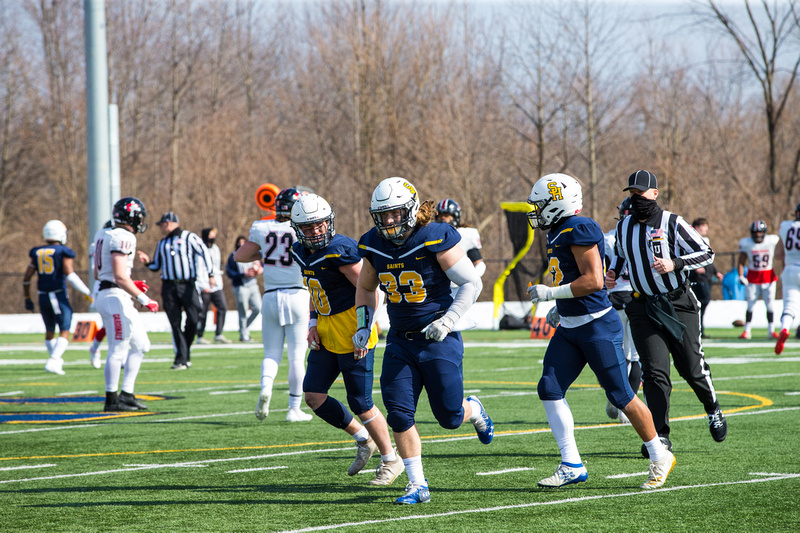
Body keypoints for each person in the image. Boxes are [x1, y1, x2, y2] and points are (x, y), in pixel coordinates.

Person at [527, 173, 675, 491]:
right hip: (571, 326)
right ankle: (571, 463)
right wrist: (561, 307)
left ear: (557, 203)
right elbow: (573, 278)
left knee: (621, 396)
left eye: (541, 204)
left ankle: (659, 454)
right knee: (549, 387)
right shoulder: (558, 229)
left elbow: (593, 280)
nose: (536, 211)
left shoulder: (578, 228)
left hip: (595, 325)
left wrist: (551, 295)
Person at [352, 177, 494, 505]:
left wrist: (447, 321)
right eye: (382, 215)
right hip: (401, 341)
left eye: (395, 213)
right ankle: (417, 484)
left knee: (449, 417)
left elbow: (471, 284)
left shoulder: (433, 236)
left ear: (412, 209)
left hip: (438, 339)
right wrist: (363, 323)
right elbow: (365, 287)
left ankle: (473, 410)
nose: (389, 221)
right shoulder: (373, 243)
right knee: (399, 413)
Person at [606, 170, 727, 454]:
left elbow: (706, 253)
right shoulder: (624, 226)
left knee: (691, 368)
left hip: (677, 303)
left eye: (641, 193)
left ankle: (713, 408)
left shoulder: (673, 222)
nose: (637, 199)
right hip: (642, 306)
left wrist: (675, 263)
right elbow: (621, 254)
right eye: (632, 194)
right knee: (654, 372)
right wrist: (613, 270)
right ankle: (660, 435)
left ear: (655, 194)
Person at [290, 193, 403, 485]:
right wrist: (313, 322)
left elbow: (371, 292)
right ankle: (364, 439)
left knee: (361, 403)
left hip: (354, 328)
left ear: (329, 222)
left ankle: (391, 460)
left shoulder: (341, 249)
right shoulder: (300, 251)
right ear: (297, 229)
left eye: (319, 225)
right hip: (327, 329)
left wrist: (364, 330)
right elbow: (315, 290)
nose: (315, 231)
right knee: (313, 395)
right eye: (308, 227)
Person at [234, 188, 313, 422]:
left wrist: (265, 254)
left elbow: (239, 256)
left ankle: (266, 387)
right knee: (297, 356)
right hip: (298, 295)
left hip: (269, 295)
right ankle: (293, 408)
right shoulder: (302, 229)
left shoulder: (261, 227)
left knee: (271, 353)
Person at [94, 197, 159, 411]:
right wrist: (144, 298)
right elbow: (120, 277)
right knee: (118, 349)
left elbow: (99, 273)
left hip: (113, 293)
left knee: (141, 345)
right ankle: (111, 400)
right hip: (114, 297)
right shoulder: (123, 237)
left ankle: (127, 394)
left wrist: (131, 284)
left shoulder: (104, 234)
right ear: (131, 217)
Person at [137, 212, 214, 370]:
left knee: (194, 317)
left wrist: (210, 273)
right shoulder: (162, 243)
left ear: (169, 223)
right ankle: (181, 358)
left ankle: (184, 352)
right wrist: (147, 263)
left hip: (187, 284)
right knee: (175, 322)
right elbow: (156, 266)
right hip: (169, 286)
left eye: (162, 225)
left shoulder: (188, 237)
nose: (160, 228)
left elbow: (204, 252)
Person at [23, 219, 94, 375]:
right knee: (65, 329)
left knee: (49, 330)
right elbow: (70, 274)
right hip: (57, 295)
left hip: (42, 296)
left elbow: (27, 276)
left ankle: (55, 360)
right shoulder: (63, 252)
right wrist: (87, 291)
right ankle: (54, 360)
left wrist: (27, 297)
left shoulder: (37, 252)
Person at [602, 197, 641, 424]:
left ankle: (615, 397)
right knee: (635, 356)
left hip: (613, 299)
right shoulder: (642, 234)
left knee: (619, 354)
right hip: (636, 298)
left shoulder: (608, 236)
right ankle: (627, 407)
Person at [737, 220, 780, 339]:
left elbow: (782, 248)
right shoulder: (746, 243)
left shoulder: (772, 240)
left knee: (770, 305)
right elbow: (741, 261)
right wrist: (741, 276)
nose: (758, 235)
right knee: (750, 305)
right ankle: (747, 331)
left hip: (768, 277)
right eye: (756, 232)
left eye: (760, 232)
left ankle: (771, 330)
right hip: (753, 277)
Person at [196, 227, 231, 345]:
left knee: (222, 307)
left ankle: (219, 334)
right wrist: (202, 284)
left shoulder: (215, 248)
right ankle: (200, 336)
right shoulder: (200, 248)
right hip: (204, 285)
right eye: (211, 234)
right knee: (203, 311)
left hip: (216, 285)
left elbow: (216, 266)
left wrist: (216, 280)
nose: (213, 237)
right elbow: (199, 268)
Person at [689, 218, 724, 338]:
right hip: (698, 278)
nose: (705, 229)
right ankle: (697, 329)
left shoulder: (705, 240)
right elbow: (688, 256)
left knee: (704, 303)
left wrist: (716, 272)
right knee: (700, 303)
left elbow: (708, 258)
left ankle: (700, 329)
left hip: (707, 277)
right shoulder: (690, 239)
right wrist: (694, 267)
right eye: (702, 227)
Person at [226, 235, 262, 343]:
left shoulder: (252, 255)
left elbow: (262, 265)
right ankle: (244, 335)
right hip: (241, 286)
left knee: (258, 309)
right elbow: (230, 272)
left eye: (243, 242)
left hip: (253, 285)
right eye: (239, 242)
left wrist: (259, 269)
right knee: (243, 312)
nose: (241, 244)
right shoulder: (234, 256)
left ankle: (244, 328)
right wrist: (243, 274)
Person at [88, 220, 114, 369]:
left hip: (116, 285)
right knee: (108, 324)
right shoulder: (99, 244)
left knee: (118, 324)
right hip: (103, 286)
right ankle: (95, 349)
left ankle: (113, 353)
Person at [774, 203, 800, 354]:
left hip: (789, 269)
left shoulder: (785, 226)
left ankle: (785, 328)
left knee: (789, 306)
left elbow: (778, 254)